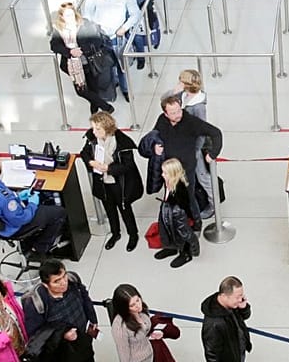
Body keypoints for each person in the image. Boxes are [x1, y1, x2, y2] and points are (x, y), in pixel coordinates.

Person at [23, 260, 100, 362]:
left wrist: (92, 321)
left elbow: (86, 300)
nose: (63, 282)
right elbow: (37, 333)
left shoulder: (74, 281)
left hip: (83, 336)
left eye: (64, 276)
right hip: (60, 348)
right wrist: (63, 334)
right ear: (45, 283)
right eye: (57, 281)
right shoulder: (35, 301)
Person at [0, 151, 68, 254]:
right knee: (59, 213)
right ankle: (39, 249)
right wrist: (32, 204)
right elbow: (21, 219)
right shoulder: (5, 198)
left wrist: (17, 197)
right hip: (13, 227)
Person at [149, 93, 225, 218]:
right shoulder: (162, 120)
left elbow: (216, 133)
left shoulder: (190, 122)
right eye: (173, 113)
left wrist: (212, 154)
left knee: (189, 197)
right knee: (172, 196)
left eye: (179, 110)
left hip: (186, 170)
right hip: (169, 170)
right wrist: (154, 146)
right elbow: (154, 135)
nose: (178, 114)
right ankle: (176, 220)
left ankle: (195, 222)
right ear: (165, 113)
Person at [80, 111, 142, 251]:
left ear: (107, 128)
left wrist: (108, 168)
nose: (94, 132)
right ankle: (115, 233)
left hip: (119, 183)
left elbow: (128, 165)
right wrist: (91, 162)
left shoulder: (122, 142)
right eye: (93, 128)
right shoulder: (92, 139)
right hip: (102, 182)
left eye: (98, 129)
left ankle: (133, 234)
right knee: (109, 208)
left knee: (124, 208)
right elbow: (84, 153)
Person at [82, 0, 141, 101]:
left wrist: (124, 28)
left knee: (121, 65)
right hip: (100, 36)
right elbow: (88, 11)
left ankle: (125, 89)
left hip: (116, 37)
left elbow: (135, 14)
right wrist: (92, 27)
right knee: (104, 64)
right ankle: (111, 86)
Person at [50, 2, 118, 114]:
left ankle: (94, 111)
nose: (70, 18)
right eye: (67, 16)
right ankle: (105, 106)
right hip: (72, 64)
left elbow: (96, 40)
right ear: (61, 16)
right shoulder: (59, 29)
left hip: (89, 62)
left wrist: (82, 50)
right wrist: (70, 51)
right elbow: (54, 45)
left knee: (93, 87)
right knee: (81, 90)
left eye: (71, 15)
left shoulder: (85, 24)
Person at [154, 158, 199, 268]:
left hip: (178, 215)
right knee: (166, 230)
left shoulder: (180, 188)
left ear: (173, 174)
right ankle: (171, 248)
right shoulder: (168, 182)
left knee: (182, 233)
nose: (162, 175)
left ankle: (186, 254)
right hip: (167, 211)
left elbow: (184, 205)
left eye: (165, 173)